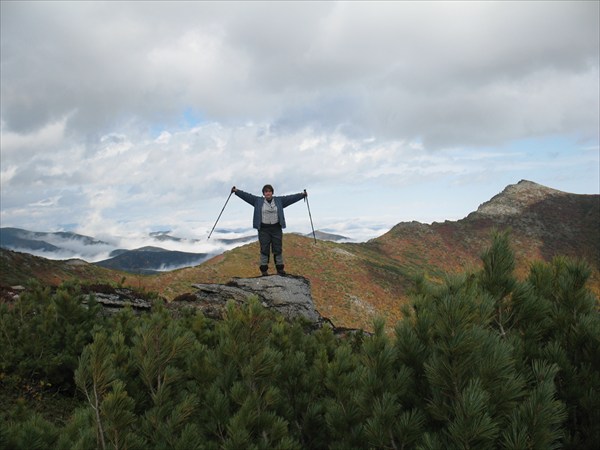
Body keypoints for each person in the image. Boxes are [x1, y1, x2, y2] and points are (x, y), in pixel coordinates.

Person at [231, 184, 307, 276]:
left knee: (277, 248)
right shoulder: (257, 201)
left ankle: (280, 269)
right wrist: (236, 191)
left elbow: (290, 198)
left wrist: (302, 195)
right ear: (263, 193)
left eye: (269, 191)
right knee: (264, 249)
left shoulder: (279, 201)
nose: (268, 193)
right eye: (266, 191)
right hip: (263, 229)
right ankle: (264, 270)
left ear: (272, 192)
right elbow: (247, 196)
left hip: (276, 228)